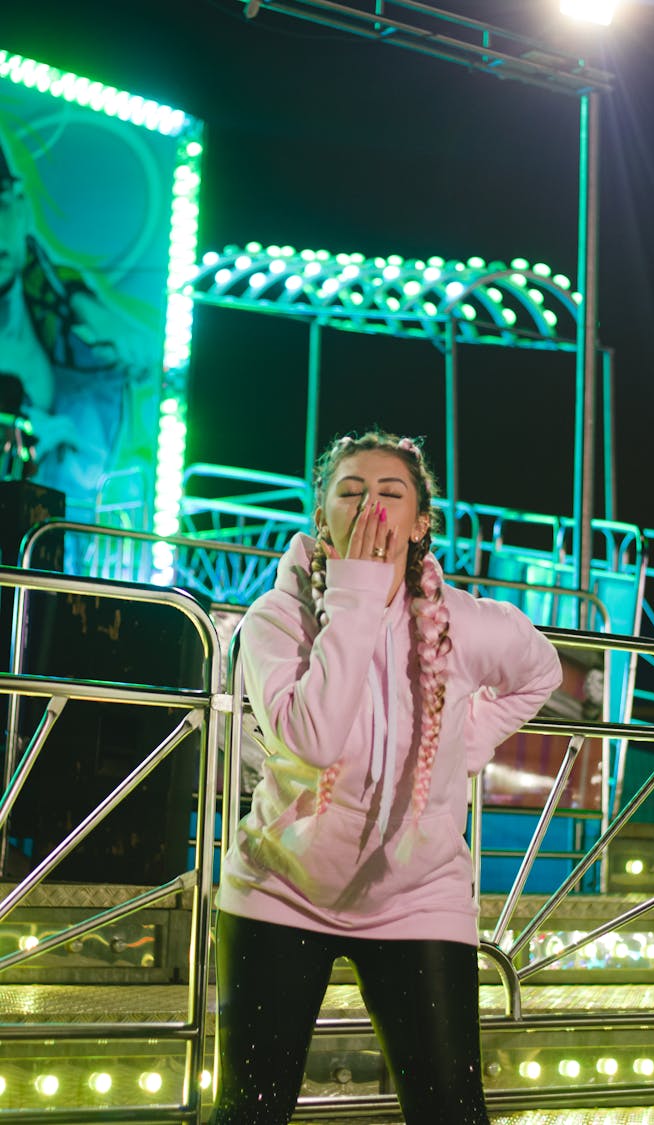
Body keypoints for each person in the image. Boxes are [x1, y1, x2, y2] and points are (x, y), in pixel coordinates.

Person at [211, 429, 563, 1125]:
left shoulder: (461, 621)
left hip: (417, 894)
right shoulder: (275, 619)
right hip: (282, 887)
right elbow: (313, 740)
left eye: (390, 492)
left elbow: (541, 669)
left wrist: (465, 741)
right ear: (322, 518)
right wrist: (357, 597)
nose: (370, 503)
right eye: (350, 491)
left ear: (421, 523)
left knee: (452, 1111)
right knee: (251, 1110)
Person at [0, 135, 149, 523]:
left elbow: (137, 352)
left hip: (46, 530)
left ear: (19, 206)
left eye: (1, 206)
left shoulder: (55, 298)